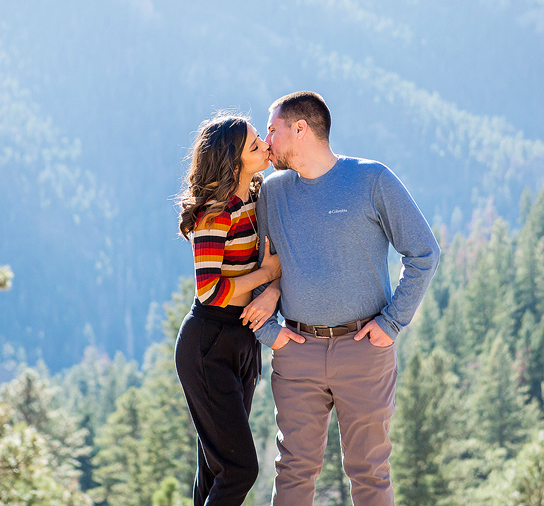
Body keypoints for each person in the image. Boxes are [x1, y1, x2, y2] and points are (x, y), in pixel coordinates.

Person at [248, 91, 440, 506]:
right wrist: (269, 332)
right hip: (296, 352)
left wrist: (391, 324)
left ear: (300, 129)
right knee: (294, 471)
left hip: (364, 352)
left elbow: (424, 252)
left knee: (369, 473)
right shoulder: (271, 194)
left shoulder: (372, 180)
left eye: (272, 130)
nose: (267, 142)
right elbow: (262, 268)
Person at [174, 113, 284, 506]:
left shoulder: (256, 197)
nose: (265, 146)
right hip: (209, 342)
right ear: (232, 161)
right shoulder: (214, 212)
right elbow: (210, 291)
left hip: (242, 339)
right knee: (240, 470)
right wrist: (266, 275)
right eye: (255, 146)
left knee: (216, 468)